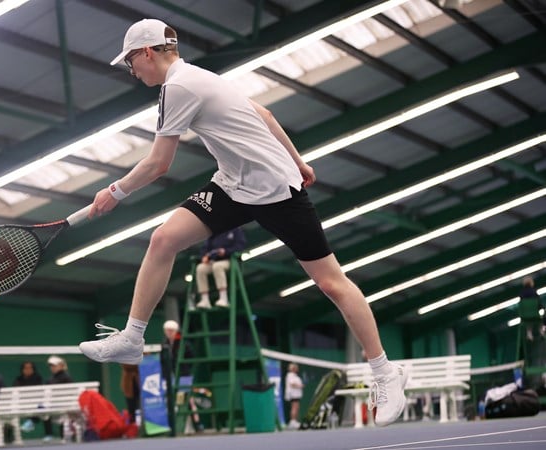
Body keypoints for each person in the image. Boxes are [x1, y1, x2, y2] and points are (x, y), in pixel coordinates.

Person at [78, 18, 408, 427]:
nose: (133, 71)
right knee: (163, 239)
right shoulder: (202, 77)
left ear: (147, 52)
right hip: (232, 185)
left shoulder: (178, 86)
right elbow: (265, 114)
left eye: (131, 63)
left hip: (275, 190)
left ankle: (384, 372)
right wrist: (300, 158)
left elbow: (159, 164)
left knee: (331, 283)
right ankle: (132, 337)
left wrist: (114, 193)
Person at [195, 227, 247, 308]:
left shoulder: (235, 230)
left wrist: (226, 251)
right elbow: (205, 247)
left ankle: (223, 298)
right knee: (200, 268)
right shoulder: (215, 231)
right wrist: (204, 256)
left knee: (217, 266)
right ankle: (205, 300)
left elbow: (240, 246)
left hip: (229, 260)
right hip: (213, 261)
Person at [43, 355, 74, 441]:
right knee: (43, 407)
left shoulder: (66, 378)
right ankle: (49, 434)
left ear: (61, 365)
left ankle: (59, 435)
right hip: (54, 405)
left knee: (45, 408)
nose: (52, 368)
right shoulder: (51, 379)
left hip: (64, 405)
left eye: (54, 365)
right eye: (51, 366)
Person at [12, 361, 45, 434]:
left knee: (43, 408)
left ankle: (31, 422)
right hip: (22, 404)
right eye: (26, 368)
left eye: (30, 368)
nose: (28, 370)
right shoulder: (18, 380)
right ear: (22, 370)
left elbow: (41, 393)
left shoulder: (38, 379)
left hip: (36, 404)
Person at [519, 277, 544, 341]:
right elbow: (539, 304)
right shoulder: (534, 291)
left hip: (525, 316)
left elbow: (521, 306)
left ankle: (529, 334)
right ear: (531, 283)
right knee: (540, 320)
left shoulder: (521, 293)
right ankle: (541, 331)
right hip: (535, 314)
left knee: (528, 322)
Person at [284, 363, 304, 429]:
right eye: (296, 368)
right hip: (293, 394)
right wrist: (300, 386)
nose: (297, 369)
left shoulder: (295, 376)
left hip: (297, 394)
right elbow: (292, 384)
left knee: (296, 407)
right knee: (294, 407)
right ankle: (292, 422)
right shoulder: (290, 375)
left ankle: (294, 421)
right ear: (293, 369)